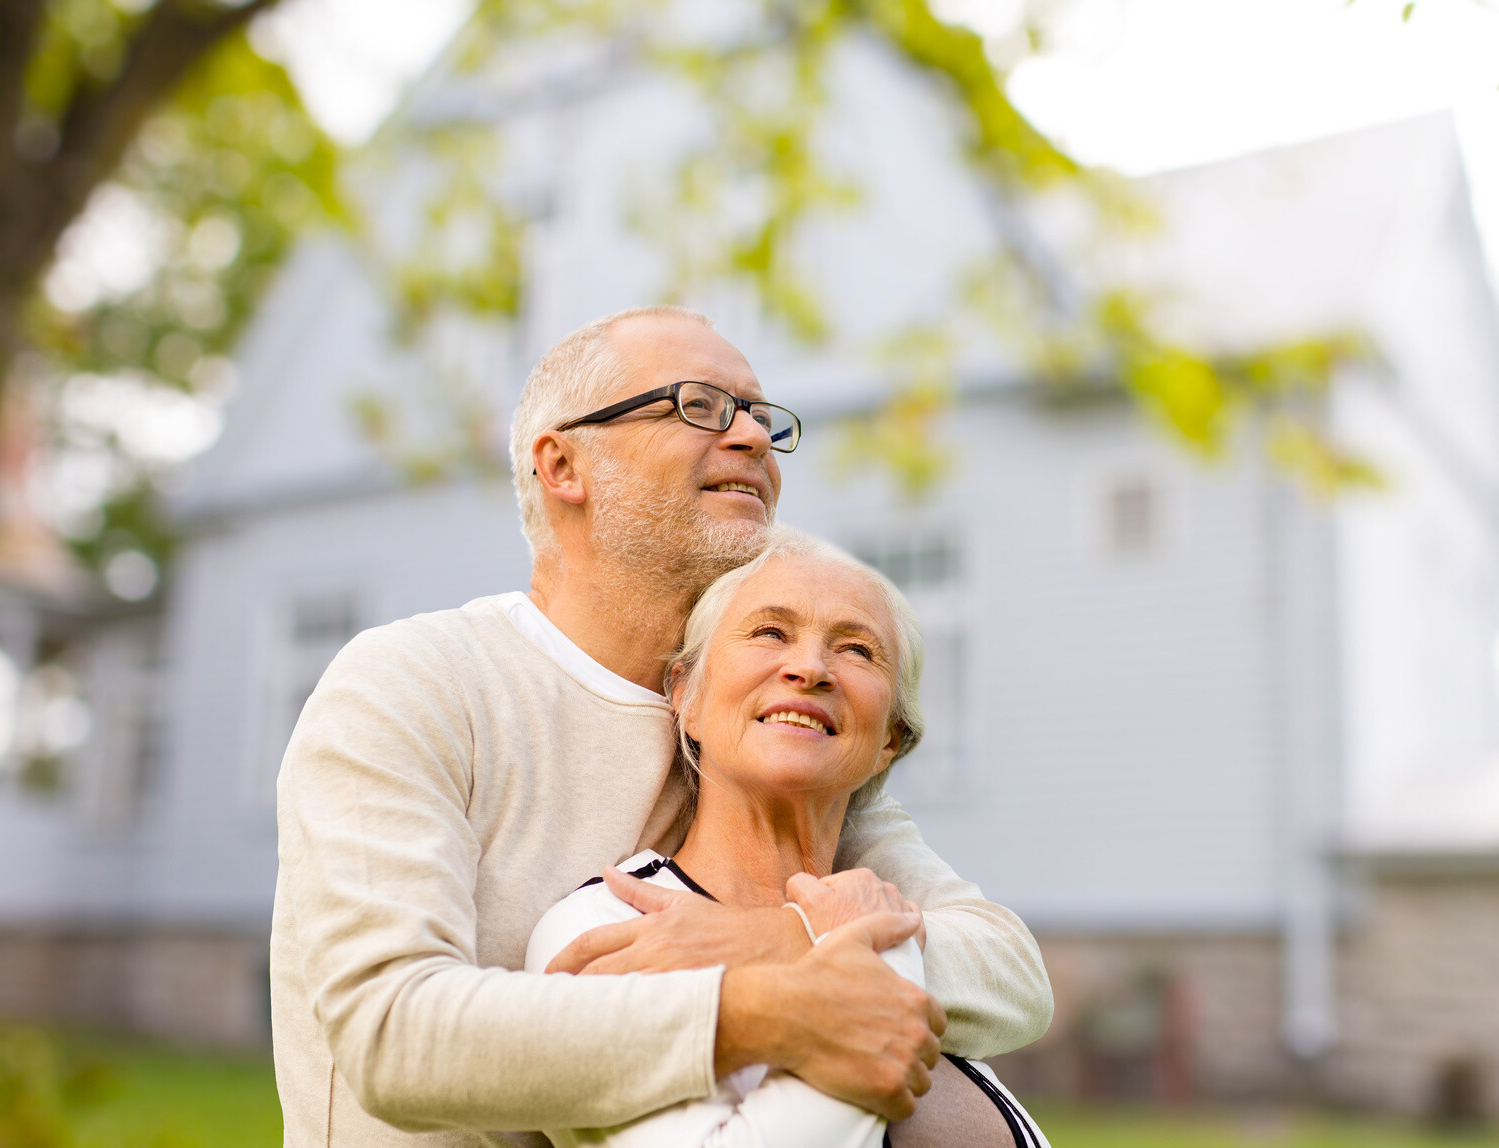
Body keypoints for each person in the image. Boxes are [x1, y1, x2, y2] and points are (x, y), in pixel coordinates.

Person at [270, 307, 1052, 1147]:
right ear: (563, 463)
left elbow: (1006, 971)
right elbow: (393, 1035)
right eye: (699, 405)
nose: (752, 436)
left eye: (759, 414)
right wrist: (762, 1009)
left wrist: (775, 939)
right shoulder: (417, 683)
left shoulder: (762, 731)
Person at [523, 528, 1048, 1147]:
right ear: (686, 697)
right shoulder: (608, 923)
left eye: (856, 649)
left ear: (890, 742)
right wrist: (869, 948)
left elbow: (1019, 985)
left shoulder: (887, 907)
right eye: (770, 632)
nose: (810, 669)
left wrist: (810, 936)